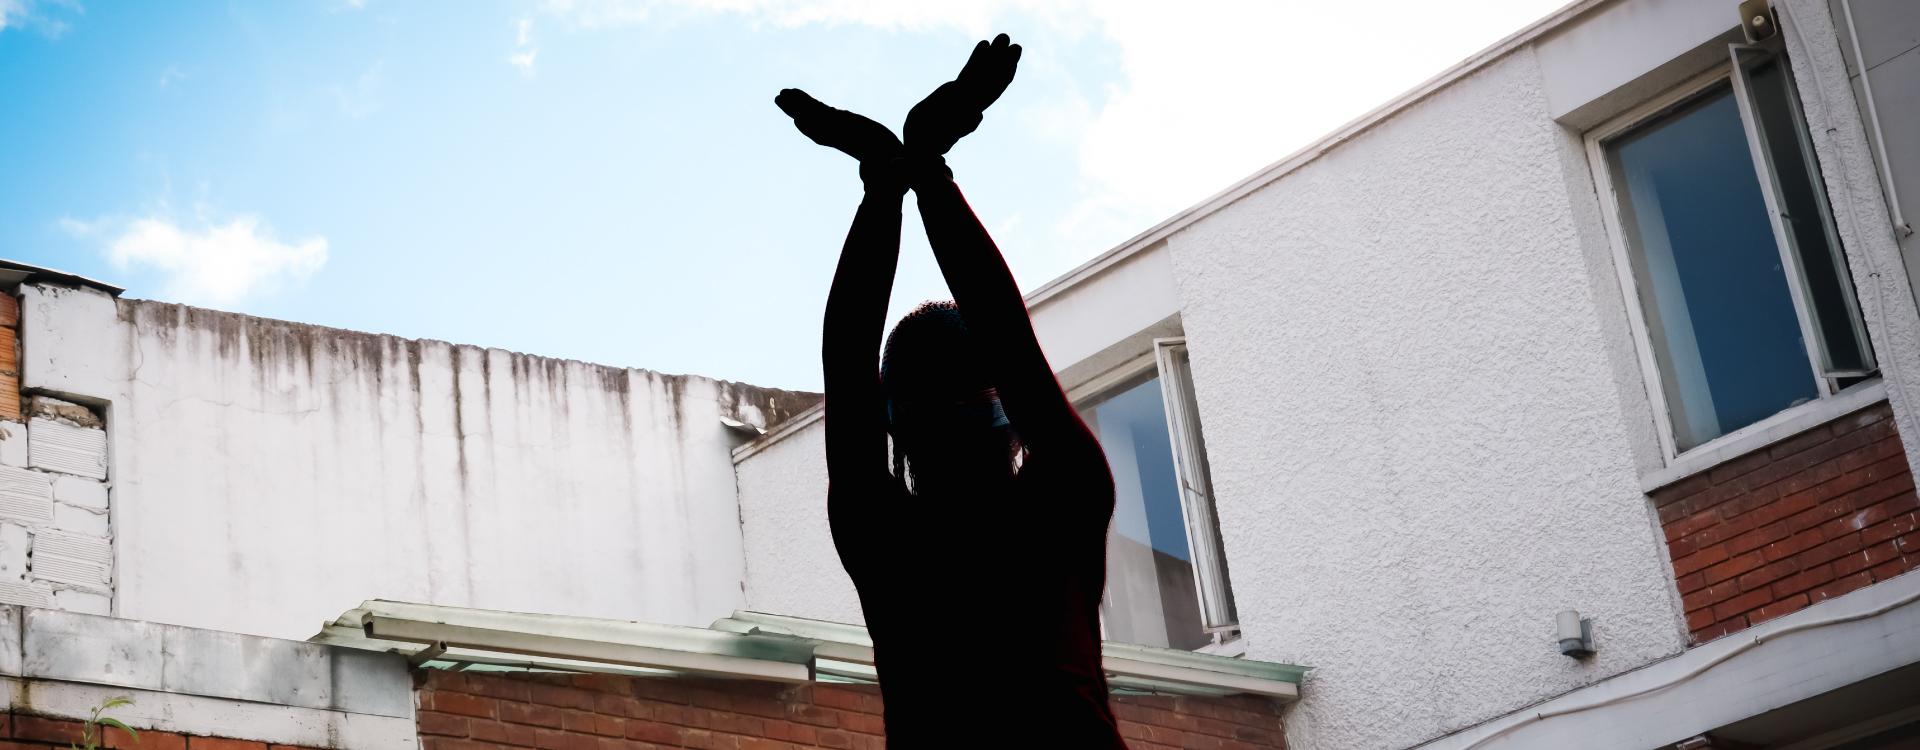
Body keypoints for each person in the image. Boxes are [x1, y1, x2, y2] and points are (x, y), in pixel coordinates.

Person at [776, 34, 1128, 748]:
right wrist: (929, 173)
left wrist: (887, 187)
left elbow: (845, 363)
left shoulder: (884, 536)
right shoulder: (1065, 496)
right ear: (1004, 409)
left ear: (895, 427)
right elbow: (1008, 336)